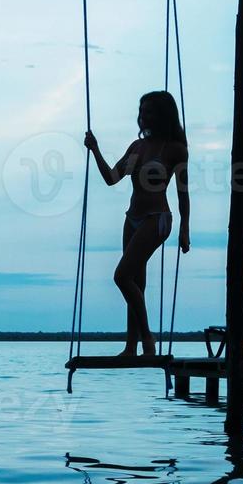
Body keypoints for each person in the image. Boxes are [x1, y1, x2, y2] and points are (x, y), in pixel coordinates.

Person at [84, 91, 191, 359]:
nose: (143, 116)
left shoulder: (174, 149)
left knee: (121, 277)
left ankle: (147, 339)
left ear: (163, 115)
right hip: (132, 218)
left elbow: (182, 192)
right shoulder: (137, 147)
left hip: (157, 218)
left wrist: (185, 229)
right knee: (135, 285)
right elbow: (112, 178)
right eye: (141, 111)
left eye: (149, 111)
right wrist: (95, 149)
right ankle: (131, 347)